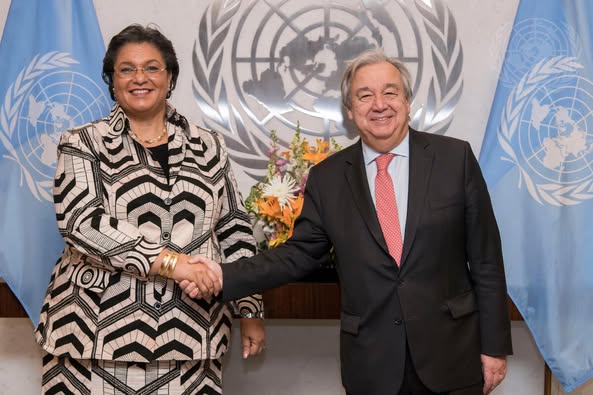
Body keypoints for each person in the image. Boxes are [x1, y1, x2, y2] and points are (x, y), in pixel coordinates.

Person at [184, 49, 513, 395]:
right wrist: (223, 275)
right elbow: (296, 255)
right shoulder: (328, 179)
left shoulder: (454, 159)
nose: (379, 104)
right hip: (372, 366)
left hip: (452, 358)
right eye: (364, 95)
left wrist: (494, 347)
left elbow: (486, 261)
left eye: (390, 92)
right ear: (350, 111)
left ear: (407, 100)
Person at [35, 24, 264, 394]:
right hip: (92, 341)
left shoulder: (210, 146)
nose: (139, 77)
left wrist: (249, 309)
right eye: (126, 69)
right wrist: (177, 263)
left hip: (192, 337)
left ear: (169, 77)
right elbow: (83, 224)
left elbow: (234, 230)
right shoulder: (82, 143)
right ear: (112, 80)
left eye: (152, 68)